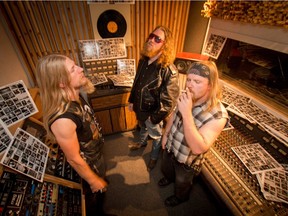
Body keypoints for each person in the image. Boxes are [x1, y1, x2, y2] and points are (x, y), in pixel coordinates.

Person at [35, 54, 109, 216]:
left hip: (96, 157)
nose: (81, 69)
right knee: (93, 202)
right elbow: (74, 159)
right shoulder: (63, 119)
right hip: (88, 167)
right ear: (61, 83)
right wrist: (93, 180)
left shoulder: (75, 95)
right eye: (73, 69)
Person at [158, 61, 229, 207]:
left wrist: (187, 114)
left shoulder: (218, 115)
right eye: (189, 80)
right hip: (171, 146)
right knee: (167, 169)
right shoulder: (187, 94)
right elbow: (173, 115)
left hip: (187, 161)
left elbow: (198, 148)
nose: (189, 85)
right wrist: (165, 134)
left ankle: (180, 197)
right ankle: (168, 178)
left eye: (197, 81)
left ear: (210, 85)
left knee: (182, 182)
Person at [128, 25, 180, 171]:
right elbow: (136, 82)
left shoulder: (169, 70)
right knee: (142, 127)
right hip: (140, 107)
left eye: (157, 39)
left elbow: (169, 101)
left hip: (153, 113)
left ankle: (153, 157)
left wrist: (154, 118)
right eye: (151, 36)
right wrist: (132, 100)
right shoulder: (144, 60)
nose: (151, 40)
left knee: (156, 137)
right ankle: (142, 143)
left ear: (165, 45)